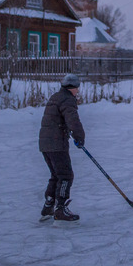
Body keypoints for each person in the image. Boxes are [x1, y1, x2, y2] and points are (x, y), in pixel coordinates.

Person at [38, 73, 86, 224]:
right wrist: (79, 136)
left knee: (56, 175)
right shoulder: (67, 99)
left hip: (45, 143)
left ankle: (48, 206)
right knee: (65, 175)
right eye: (77, 88)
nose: (78, 91)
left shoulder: (56, 96)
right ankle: (60, 209)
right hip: (56, 144)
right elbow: (72, 119)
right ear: (73, 87)